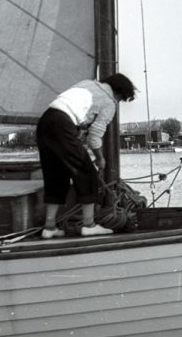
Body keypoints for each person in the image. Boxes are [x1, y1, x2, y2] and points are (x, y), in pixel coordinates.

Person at [36, 73, 137, 239]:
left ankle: (50, 227)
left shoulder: (87, 83)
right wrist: (100, 158)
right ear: (119, 93)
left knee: (56, 175)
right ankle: (89, 225)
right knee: (87, 174)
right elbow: (94, 137)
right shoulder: (109, 102)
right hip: (63, 124)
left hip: (46, 121)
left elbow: (75, 110)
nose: (118, 102)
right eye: (121, 99)